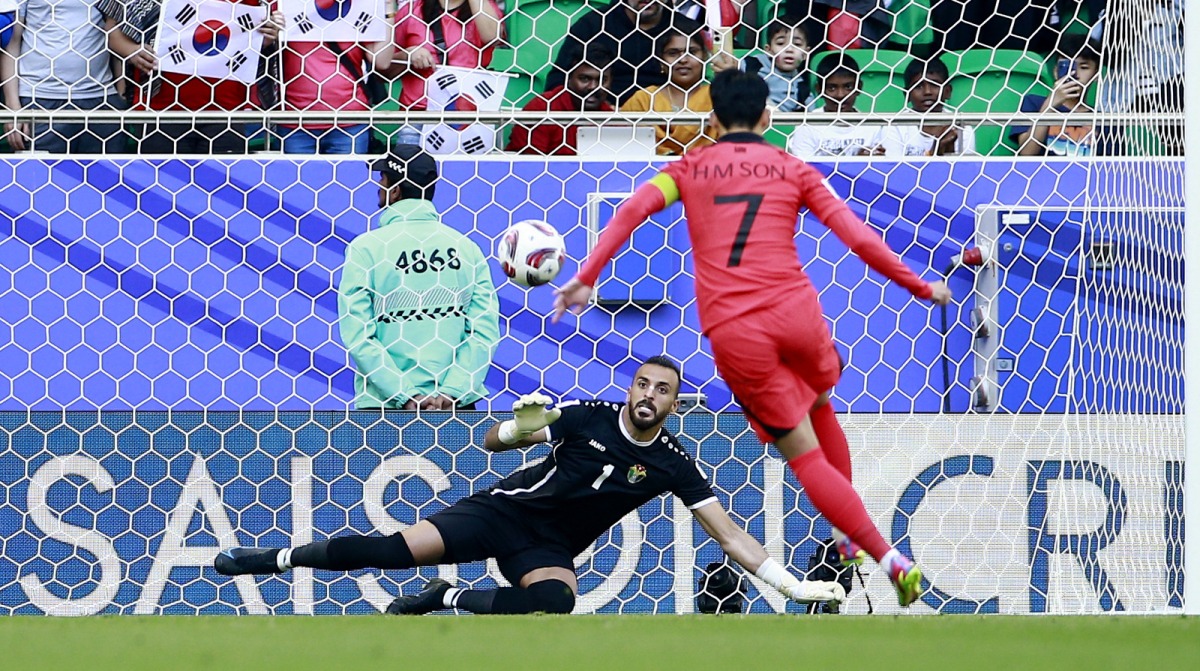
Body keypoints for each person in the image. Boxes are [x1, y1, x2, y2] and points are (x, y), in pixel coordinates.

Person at [553, 70, 953, 607]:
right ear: (768, 118)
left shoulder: (689, 167)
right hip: (798, 316)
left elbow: (630, 211)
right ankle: (844, 537)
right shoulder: (793, 168)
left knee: (803, 455)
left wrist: (587, 274)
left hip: (738, 332)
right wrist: (921, 286)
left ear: (712, 119)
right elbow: (856, 236)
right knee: (819, 404)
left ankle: (886, 558)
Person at [215, 356, 847, 614]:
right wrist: (518, 428)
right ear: (631, 389)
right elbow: (490, 442)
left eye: (663, 391)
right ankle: (269, 558)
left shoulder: (675, 463)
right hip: (501, 515)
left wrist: (792, 586)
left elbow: (731, 534)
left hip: (546, 548)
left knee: (555, 605)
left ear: (676, 404)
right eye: (643, 385)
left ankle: (448, 601)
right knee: (390, 552)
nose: (649, 396)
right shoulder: (586, 416)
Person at [338, 143, 499, 410]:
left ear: (395, 189)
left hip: (385, 406)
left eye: (382, 178)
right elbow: (484, 331)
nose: (378, 185)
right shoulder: (467, 248)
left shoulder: (365, 249)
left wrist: (406, 395)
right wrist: (453, 392)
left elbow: (358, 336)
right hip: (455, 406)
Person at [99, 0, 285, 154]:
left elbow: (254, 39)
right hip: (159, 110)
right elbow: (113, 31)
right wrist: (131, 51)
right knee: (163, 189)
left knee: (220, 191)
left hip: (225, 112)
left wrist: (267, 36)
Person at [1, 0, 128, 154]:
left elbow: (116, 29)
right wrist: (14, 108)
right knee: (42, 175)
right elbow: (11, 42)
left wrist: (120, 94)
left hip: (100, 96)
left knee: (103, 175)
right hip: (40, 98)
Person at [278, 2, 397, 154]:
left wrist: (387, 11)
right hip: (296, 119)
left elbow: (382, 61)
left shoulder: (360, 7)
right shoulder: (287, 6)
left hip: (349, 120)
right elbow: (263, 50)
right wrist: (270, 31)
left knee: (347, 177)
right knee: (297, 177)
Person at [384, 0, 504, 146]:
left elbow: (492, 37)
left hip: (467, 118)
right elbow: (384, 68)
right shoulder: (412, 10)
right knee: (414, 167)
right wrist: (408, 55)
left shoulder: (483, 7)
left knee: (464, 168)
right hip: (419, 116)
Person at [548, 0, 702, 105]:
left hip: (669, 121)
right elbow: (559, 79)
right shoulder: (594, 24)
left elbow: (704, 80)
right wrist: (601, 109)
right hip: (602, 121)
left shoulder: (685, 29)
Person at [505, 45, 613, 156]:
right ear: (568, 78)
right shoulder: (542, 109)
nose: (593, 87)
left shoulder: (612, 119)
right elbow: (528, 166)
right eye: (584, 79)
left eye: (602, 80)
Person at [620, 29, 713, 156]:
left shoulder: (717, 97)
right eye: (673, 53)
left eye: (691, 52)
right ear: (661, 62)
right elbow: (620, 144)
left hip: (707, 170)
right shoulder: (644, 100)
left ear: (705, 57)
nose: (683, 60)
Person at [1009, 34, 1103, 157]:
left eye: (1084, 67)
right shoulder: (1033, 103)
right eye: (1067, 67)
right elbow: (1027, 153)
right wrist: (1050, 105)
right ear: (1055, 71)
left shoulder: (1103, 120)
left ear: (1096, 75)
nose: (1074, 74)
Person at [787, 53, 884, 158]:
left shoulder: (872, 126)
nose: (840, 95)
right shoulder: (807, 126)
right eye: (832, 88)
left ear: (859, 87)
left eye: (848, 87)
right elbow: (804, 169)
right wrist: (857, 162)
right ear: (819, 89)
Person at [877, 55, 976, 157]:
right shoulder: (895, 126)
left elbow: (964, 170)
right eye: (918, 86)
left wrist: (949, 153)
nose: (927, 92)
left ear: (947, 91)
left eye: (934, 85)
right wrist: (934, 154)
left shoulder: (960, 127)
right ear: (907, 95)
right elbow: (894, 170)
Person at [712, 16, 812, 112]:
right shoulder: (751, 65)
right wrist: (729, 70)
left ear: (806, 54)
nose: (789, 49)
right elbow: (729, 75)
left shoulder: (802, 88)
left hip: (779, 127)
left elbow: (815, 117)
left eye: (797, 44)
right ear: (768, 50)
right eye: (781, 43)